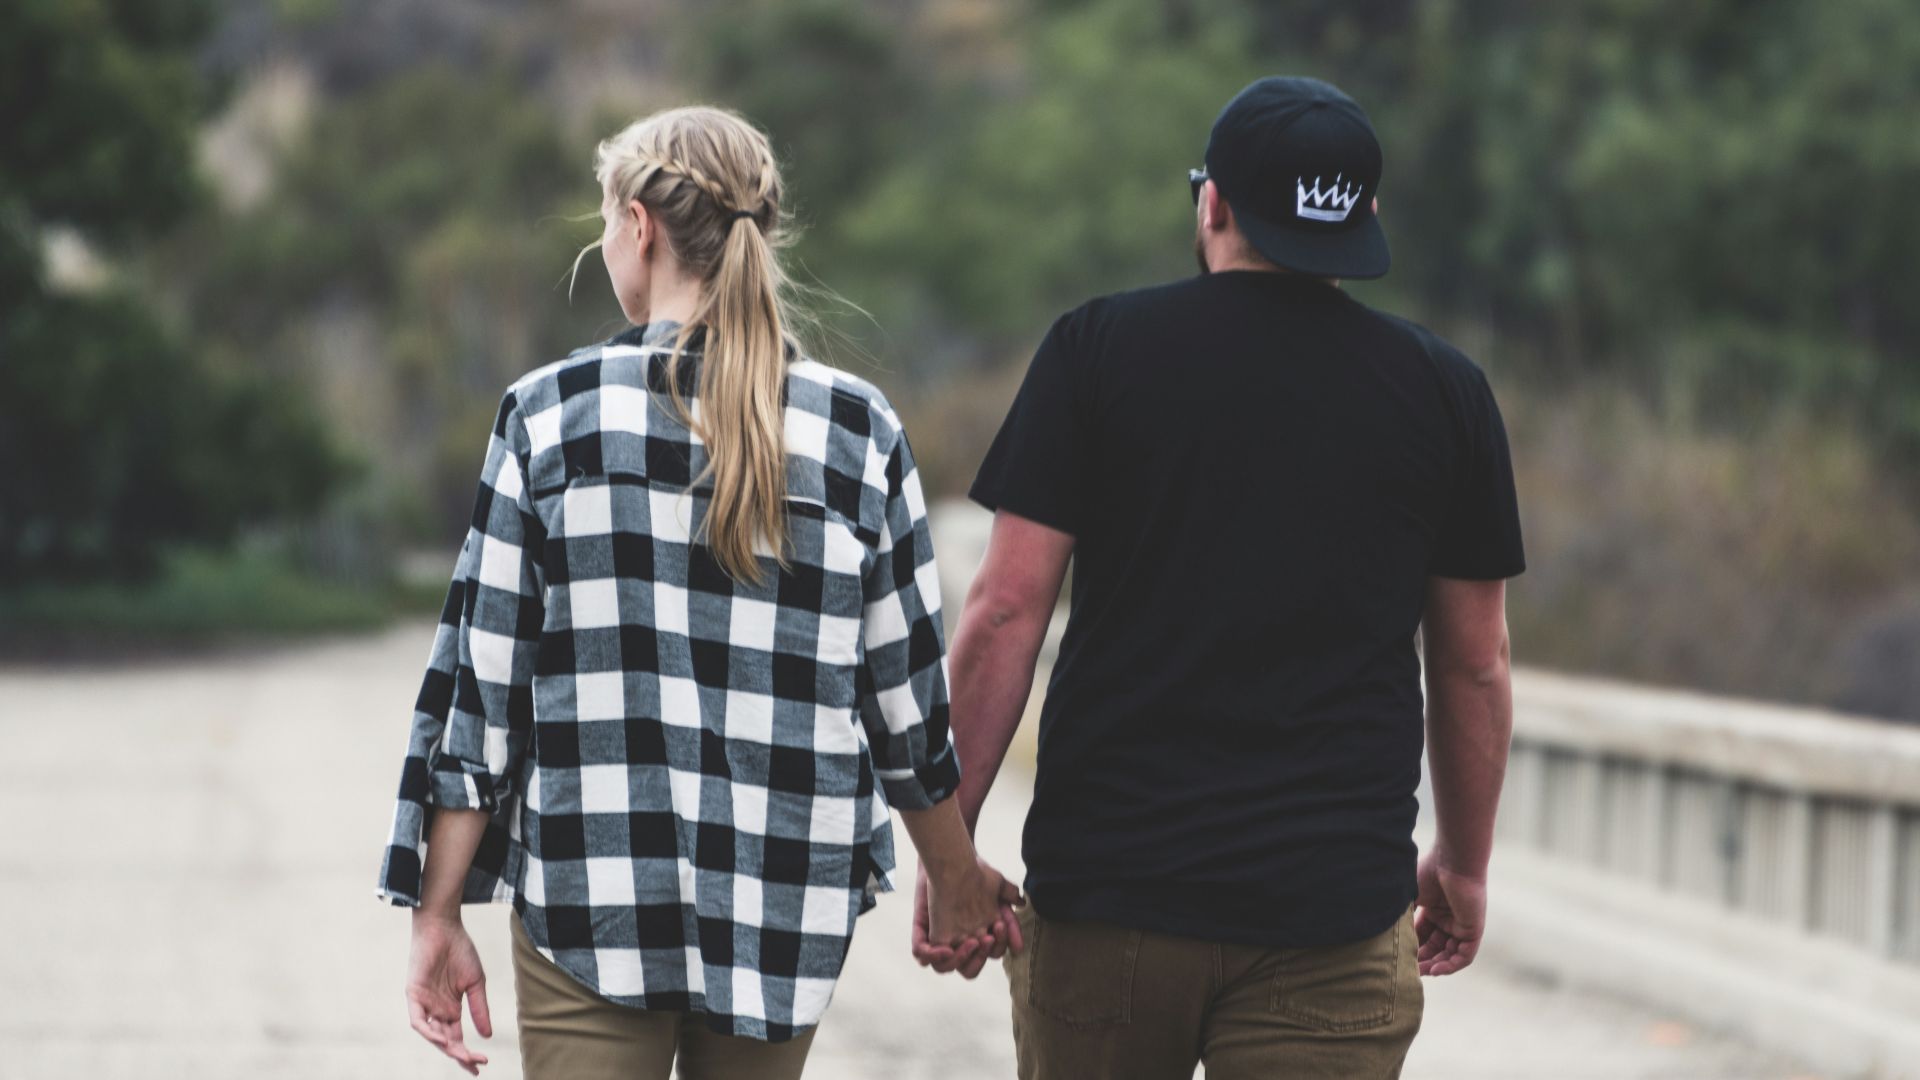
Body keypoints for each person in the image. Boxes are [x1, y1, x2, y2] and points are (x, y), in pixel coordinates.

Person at [373, 104, 1021, 1079]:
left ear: (639, 226)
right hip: (783, 907)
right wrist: (955, 875)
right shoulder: (858, 434)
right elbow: (905, 713)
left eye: (605, 224)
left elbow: (482, 700)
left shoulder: (551, 419)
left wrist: (437, 913)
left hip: (593, 897)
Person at [912, 76, 1526, 1079]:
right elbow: (1474, 663)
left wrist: (954, 852)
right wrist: (1462, 863)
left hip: (1111, 898)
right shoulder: (1445, 393)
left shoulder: (1097, 350)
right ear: (1365, 218)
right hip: (1330, 916)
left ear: (1214, 203)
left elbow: (1007, 611)